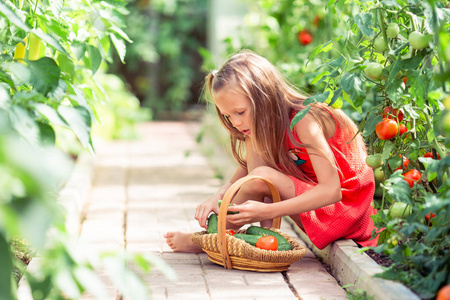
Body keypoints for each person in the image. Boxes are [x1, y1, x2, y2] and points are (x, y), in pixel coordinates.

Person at [164, 50, 378, 252]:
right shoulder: (259, 127)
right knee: (257, 175)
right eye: (228, 116)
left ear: (263, 98)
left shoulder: (305, 120)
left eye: (240, 112)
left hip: (345, 211)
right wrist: (217, 196)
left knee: (261, 175)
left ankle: (207, 240)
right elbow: (252, 180)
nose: (236, 122)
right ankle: (216, 237)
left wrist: (267, 212)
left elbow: (332, 191)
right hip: (318, 211)